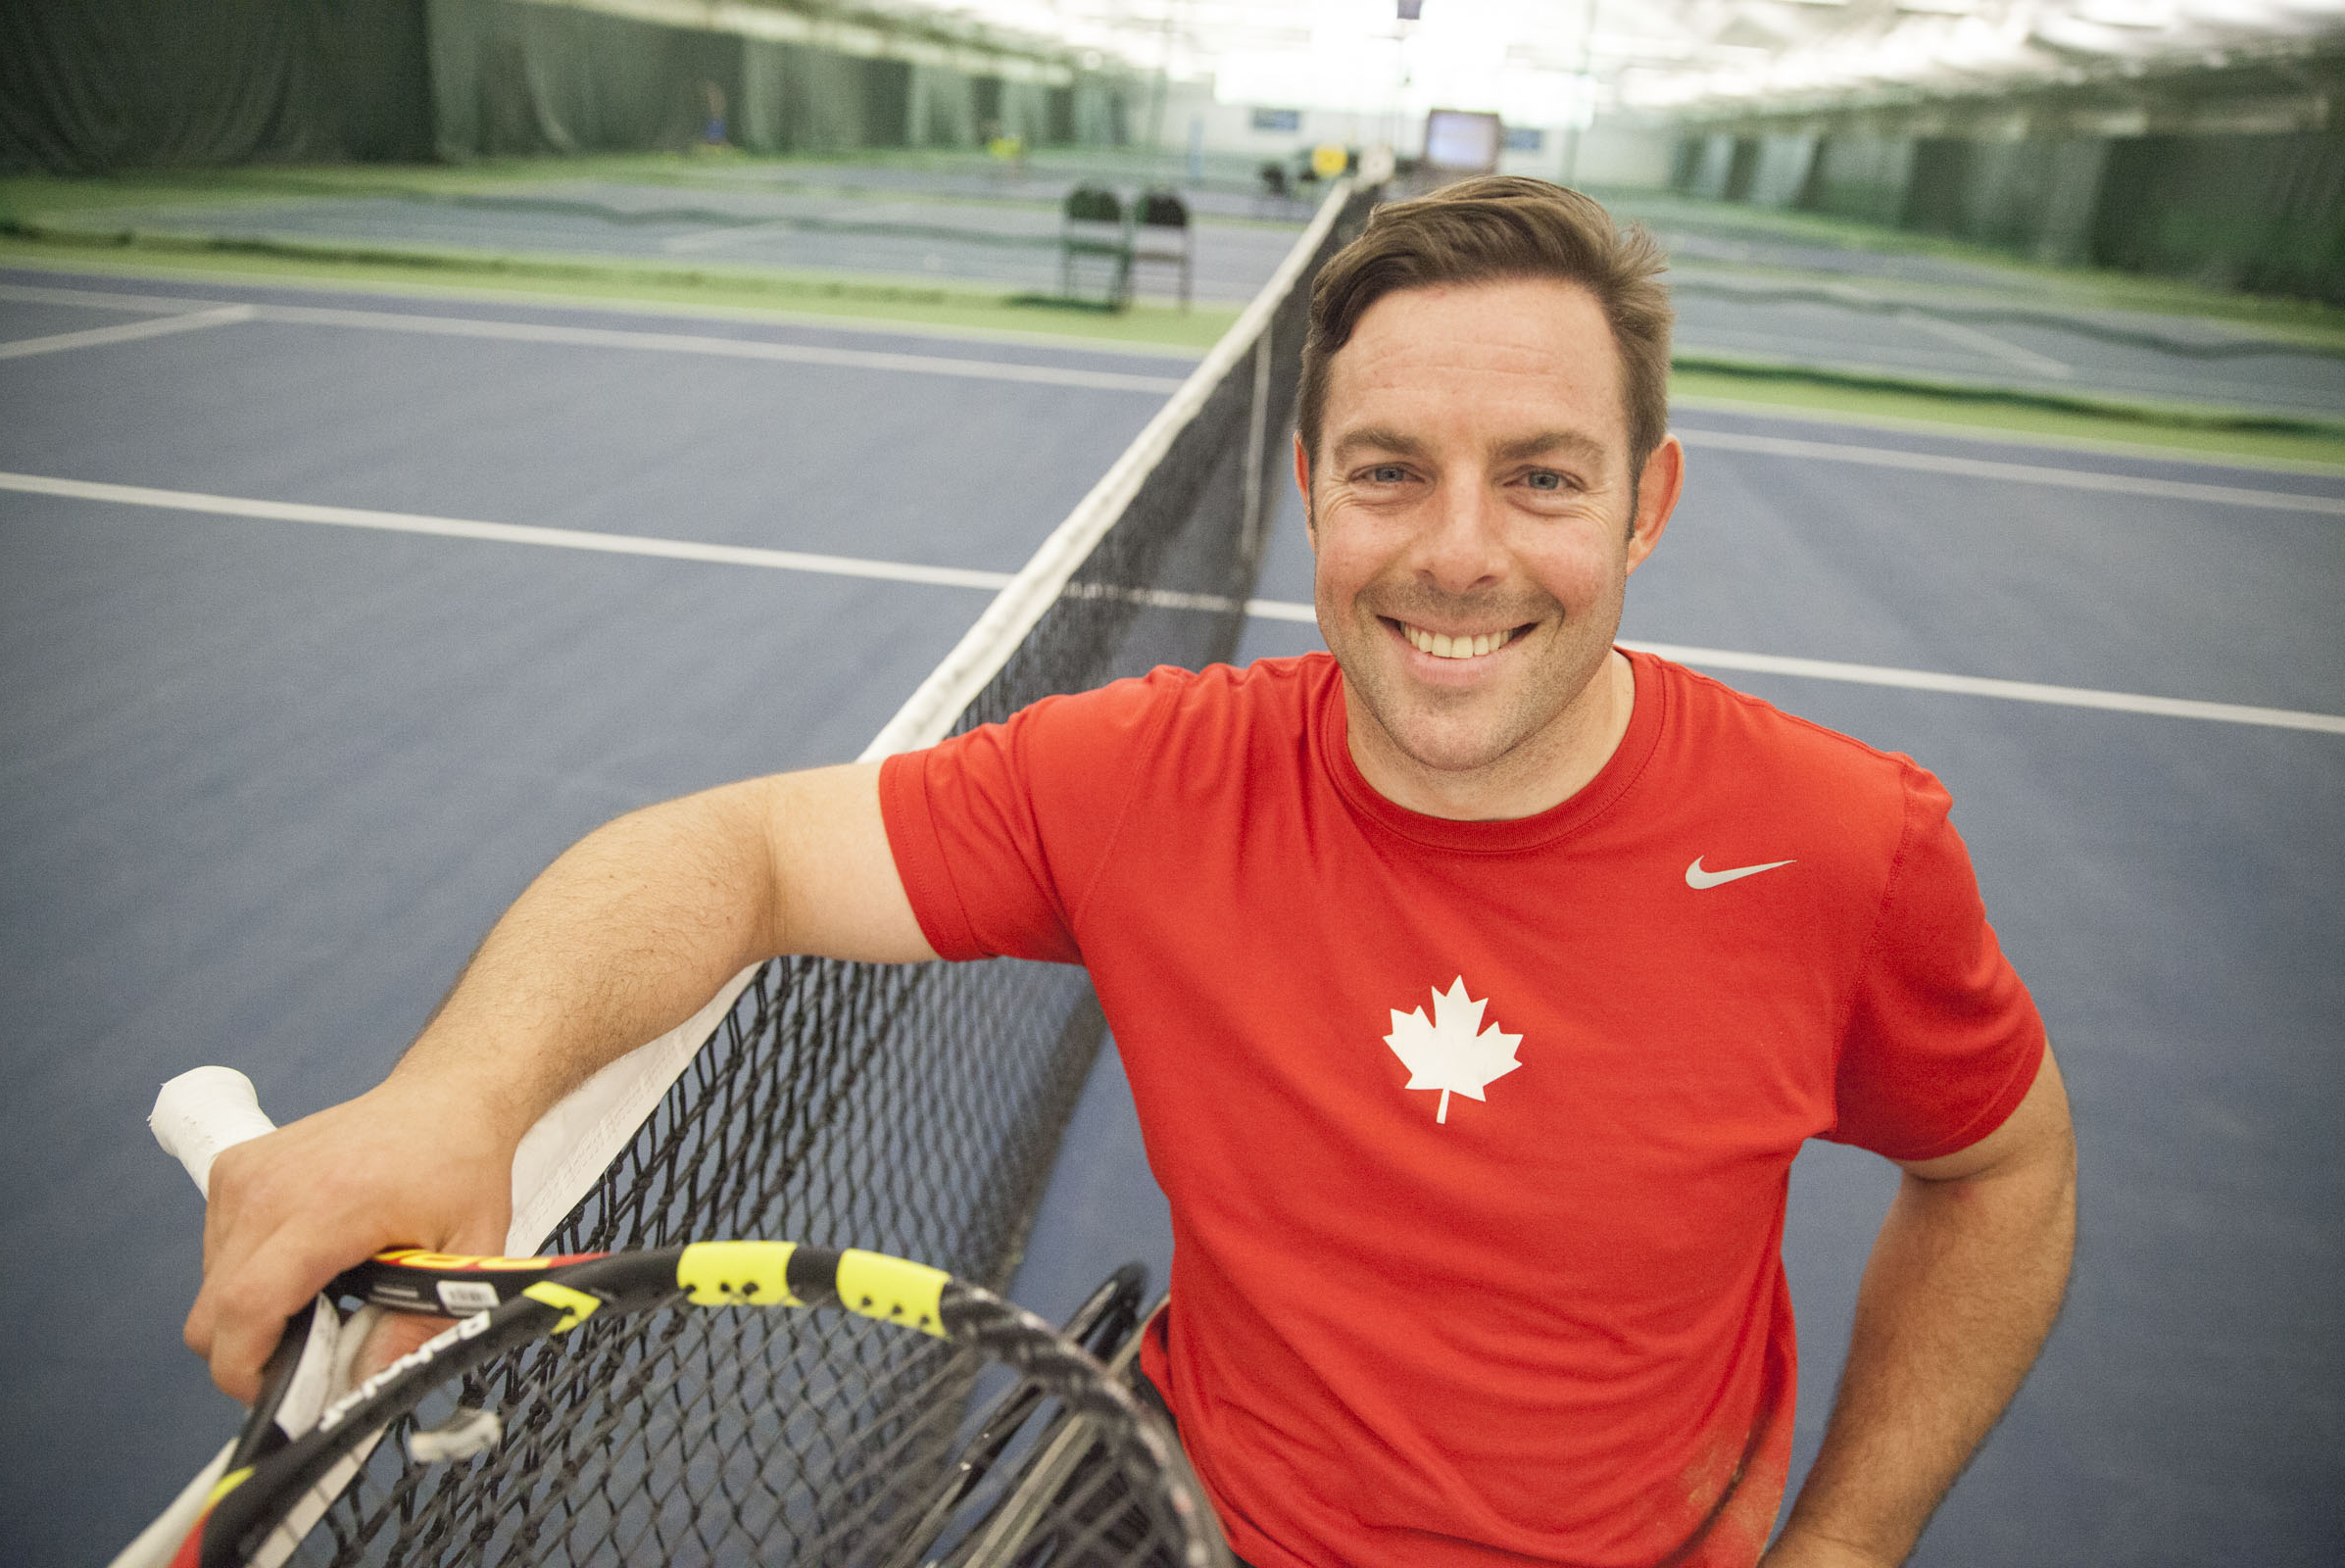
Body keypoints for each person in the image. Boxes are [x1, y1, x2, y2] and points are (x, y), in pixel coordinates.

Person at [186, 177, 2076, 1568]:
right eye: (1390, 470)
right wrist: (458, 1097)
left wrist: (1848, 1542)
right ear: (1308, 490)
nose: (1461, 551)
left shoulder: (1845, 846)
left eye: (1545, 477)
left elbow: (2000, 1170)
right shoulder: (1151, 783)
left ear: (1648, 503)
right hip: (1188, 1517)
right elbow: (733, 852)